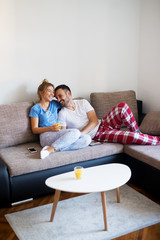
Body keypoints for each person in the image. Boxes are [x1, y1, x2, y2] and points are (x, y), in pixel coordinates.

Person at [55, 84, 160, 145]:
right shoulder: (63, 114)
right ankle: (157, 141)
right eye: (57, 98)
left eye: (60, 96)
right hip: (98, 134)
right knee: (131, 136)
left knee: (122, 106)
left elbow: (94, 120)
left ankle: (139, 132)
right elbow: (64, 133)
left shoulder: (83, 102)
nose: (58, 100)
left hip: (103, 123)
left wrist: (82, 133)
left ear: (68, 93)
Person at [29, 80, 91, 159]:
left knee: (87, 139)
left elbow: (67, 102)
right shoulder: (35, 109)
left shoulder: (55, 104)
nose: (52, 94)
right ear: (41, 92)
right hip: (45, 136)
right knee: (75, 132)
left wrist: (79, 108)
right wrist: (50, 128)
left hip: (58, 134)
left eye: (53, 92)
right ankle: (50, 149)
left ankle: (52, 149)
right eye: (49, 91)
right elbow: (34, 129)